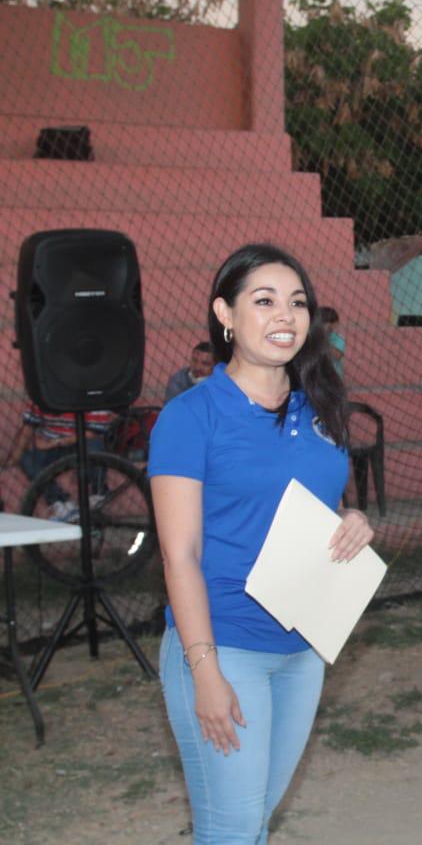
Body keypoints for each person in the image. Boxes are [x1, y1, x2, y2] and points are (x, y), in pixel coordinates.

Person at [149, 244, 373, 843]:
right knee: (232, 827)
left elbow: (309, 505)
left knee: (254, 822)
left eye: (297, 303)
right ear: (225, 314)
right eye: (265, 301)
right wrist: (205, 673)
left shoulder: (320, 408)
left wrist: (351, 520)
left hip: (303, 649)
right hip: (225, 647)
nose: (285, 316)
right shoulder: (190, 415)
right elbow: (179, 555)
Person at [6, 404, 115, 521]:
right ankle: (61, 503)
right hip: (52, 445)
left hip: (80, 441)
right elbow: (28, 427)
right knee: (28, 459)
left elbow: (95, 432)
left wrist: (57, 442)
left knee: (94, 446)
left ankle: (98, 494)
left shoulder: (90, 398)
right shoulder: (44, 397)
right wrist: (14, 458)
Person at [319, 306, 345, 379]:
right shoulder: (312, 336)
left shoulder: (338, 338)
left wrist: (324, 338)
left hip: (334, 377)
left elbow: (337, 356)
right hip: (317, 377)